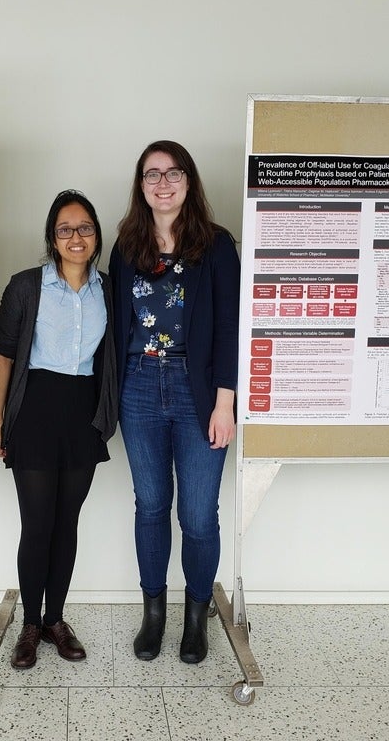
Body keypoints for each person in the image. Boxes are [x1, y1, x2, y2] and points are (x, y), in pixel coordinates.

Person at [109, 141, 239, 664]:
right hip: (139, 386)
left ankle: (196, 617)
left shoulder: (217, 245)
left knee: (199, 515)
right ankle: (154, 614)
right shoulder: (126, 245)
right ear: (141, 185)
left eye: (173, 173)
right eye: (152, 174)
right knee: (151, 505)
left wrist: (225, 403)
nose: (163, 183)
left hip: (198, 391)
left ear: (189, 181)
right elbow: (116, 325)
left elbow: (229, 327)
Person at [0, 189, 117, 670]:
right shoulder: (26, 286)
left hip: (83, 413)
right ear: (52, 237)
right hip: (34, 410)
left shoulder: (108, 289)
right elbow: (5, 355)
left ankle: (55, 620)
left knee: (67, 523)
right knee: (38, 524)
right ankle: (29, 625)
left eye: (84, 228)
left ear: (96, 235)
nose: (75, 237)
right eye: (65, 229)